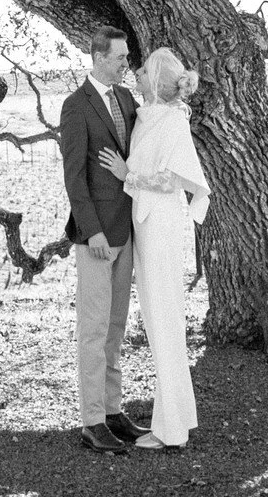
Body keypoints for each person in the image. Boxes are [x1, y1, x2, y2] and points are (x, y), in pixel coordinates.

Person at [98, 46, 209, 451]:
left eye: (143, 71)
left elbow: (173, 180)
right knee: (157, 321)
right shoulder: (148, 116)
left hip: (160, 227)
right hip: (143, 227)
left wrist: (129, 175)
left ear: (157, 83)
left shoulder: (173, 122)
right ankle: (176, 417)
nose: (136, 74)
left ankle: (170, 431)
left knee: (164, 321)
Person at [60, 25, 149, 454]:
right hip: (95, 237)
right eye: (119, 57)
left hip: (127, 232)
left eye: (127, 57)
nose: (125, 63)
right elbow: (74, 179)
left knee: (115, 329)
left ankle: (113, 411)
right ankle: (93, 421)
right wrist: (92, 231)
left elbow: (140, 156)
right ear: (98, 57)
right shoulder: (75, 107)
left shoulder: (129, 101)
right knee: (94, 331)